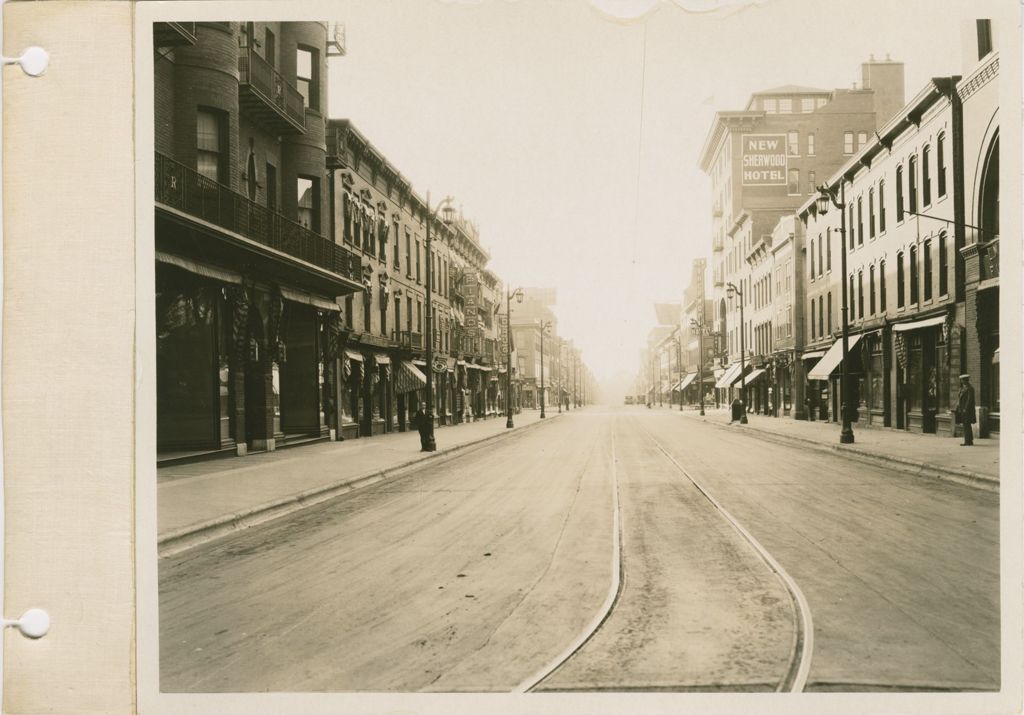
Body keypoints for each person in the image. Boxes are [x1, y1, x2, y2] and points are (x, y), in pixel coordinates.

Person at [956, 374, 976, 446]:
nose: (961, 381)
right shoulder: (962, 388)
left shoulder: (970, 388)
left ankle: (968, 441)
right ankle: (969, 441)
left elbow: (969, 400)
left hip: (967, 410)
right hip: (962, 409)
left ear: (966, 380)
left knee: (966, 425)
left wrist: (965, 408)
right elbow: (960, 399)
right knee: (966, 425)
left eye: (963, 380)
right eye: (961, 380)